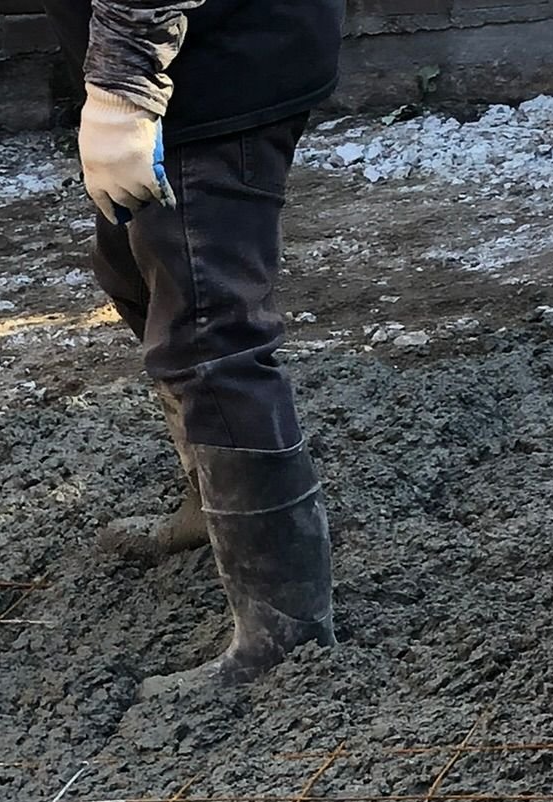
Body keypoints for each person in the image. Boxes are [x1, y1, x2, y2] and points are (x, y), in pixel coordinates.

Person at [43, 0, 346, 701]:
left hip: (211, 65)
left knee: (209, 333)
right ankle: (213, 502)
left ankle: (285, 633)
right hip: (188, 59)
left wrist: (125, 82)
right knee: (134, 271)